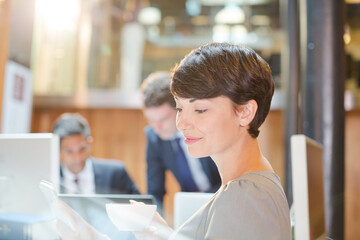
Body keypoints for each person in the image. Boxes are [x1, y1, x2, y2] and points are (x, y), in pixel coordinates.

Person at [55, 43, 291, 239]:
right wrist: (158, 231)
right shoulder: (241, 189)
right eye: (180, 108)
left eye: (199, 109)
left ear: (245, 112)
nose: (181, 124)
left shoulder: (245, 198)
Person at [140, 71, 221, 211]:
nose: (157, 128)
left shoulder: (206, 127)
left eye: (163, 119)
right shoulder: (154, 138)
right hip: (190, 208)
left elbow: (232, 179)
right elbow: (155, 192)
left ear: (180, 109)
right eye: (151, 120)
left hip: (224, 200)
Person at [53, 113, 139, 194]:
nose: (77, 158)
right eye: (70, 152)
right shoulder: (49, 179)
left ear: (89, 143)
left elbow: (141, 205)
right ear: (58, 150)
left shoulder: (116, 175)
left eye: (82, 149)